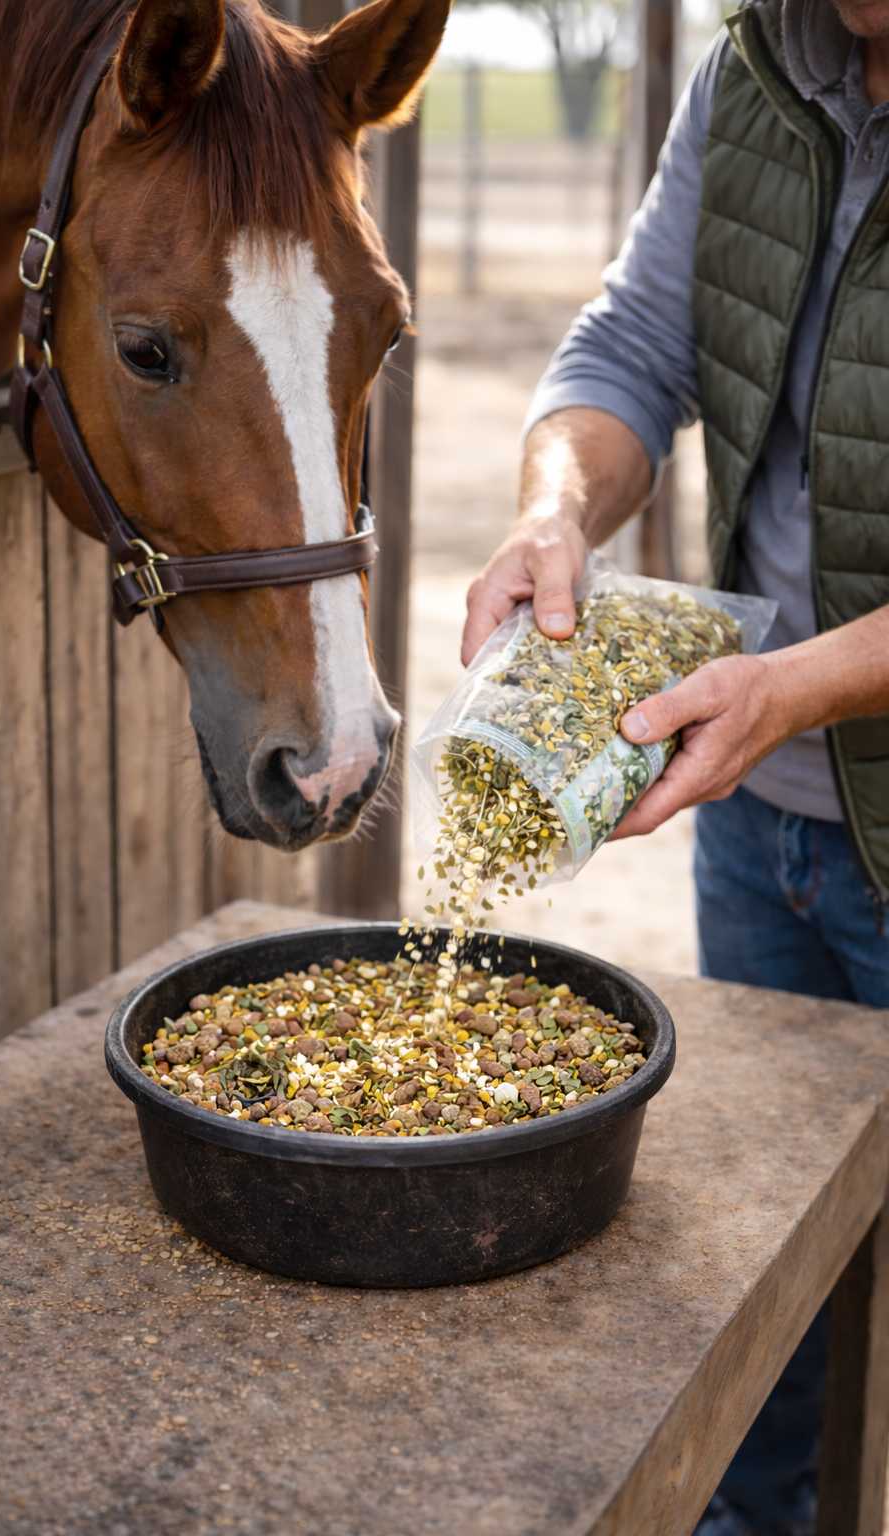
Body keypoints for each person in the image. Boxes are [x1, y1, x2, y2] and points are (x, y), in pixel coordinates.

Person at [462, 0, 889, 1530]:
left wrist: (799, 686)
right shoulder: (760, 70)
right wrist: (554, 508)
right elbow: (636, 348)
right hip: (759, 830)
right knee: (762, 1289)